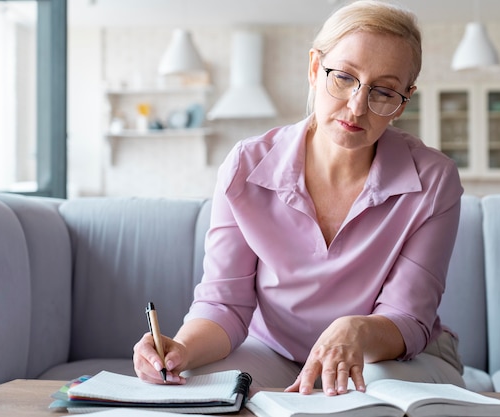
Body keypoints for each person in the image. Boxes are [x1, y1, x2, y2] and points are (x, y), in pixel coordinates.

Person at [133, 0, 465, 395]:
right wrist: (180, 350)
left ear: (403, 102)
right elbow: (224, 305)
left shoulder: (433, 180)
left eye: (384, 91)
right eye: (343, 77)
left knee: (373, 392)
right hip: (274, 353)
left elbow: (409, 317)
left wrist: (353, 328)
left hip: (388, 357)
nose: (357, 106)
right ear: (314, 68)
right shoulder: (246, 166)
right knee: (197, 387)